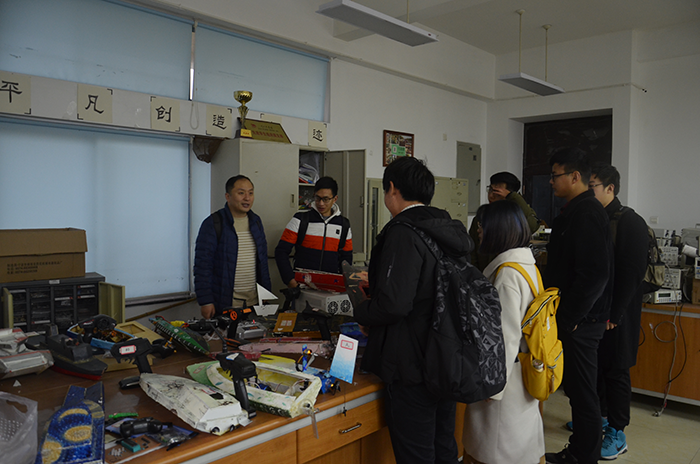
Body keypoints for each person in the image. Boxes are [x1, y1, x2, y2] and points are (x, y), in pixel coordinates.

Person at [353, 156, 470, 464]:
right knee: (444, 444)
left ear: (392, 188)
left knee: (416, 453)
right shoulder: (445, 228)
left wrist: (363, 312)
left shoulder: (403, 232)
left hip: (411, 362)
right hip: (445, 354)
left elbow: (395, 304)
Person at [544, 148, 614, 464]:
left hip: (582, 321)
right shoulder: (576, 210)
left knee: (583, 391)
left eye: (555, 175)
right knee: (577, 389)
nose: (551, 182)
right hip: (578, 318)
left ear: (575, 176)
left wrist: (569, 318)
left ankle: (583, 456)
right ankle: (581, 450)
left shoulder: (586, 213)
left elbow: (595, 274)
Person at [462, 200, 545, 464]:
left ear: (498, 229)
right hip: (523, 373)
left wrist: (493, 388)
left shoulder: (507, 275)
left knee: (497, 450)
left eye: (482, 226)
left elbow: (505, 339)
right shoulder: (527, 266)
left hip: (505, 381)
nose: (478, 231)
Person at [588, 164, 648, 460]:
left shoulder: (630, 222)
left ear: (610, 188)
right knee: (597, 366)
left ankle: (617, 431)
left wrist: (615, 314)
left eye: (592, 187)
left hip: (618, 313)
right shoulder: (596, 218)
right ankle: (600, 419)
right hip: (597, 310)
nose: (588, 192)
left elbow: (632, 273)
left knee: (617, 370)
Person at [194, 175, 271, 319]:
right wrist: (206, 301)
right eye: (241, 193)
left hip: (253, 303)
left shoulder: (256, 222)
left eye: (250, 193)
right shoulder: (213, 223)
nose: (247, 198)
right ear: (228, 196)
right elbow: (202, 265)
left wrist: (266, 293)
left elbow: (263, 262)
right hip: (226, 304)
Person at [275, 176, 353, 288]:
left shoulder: (344, 225)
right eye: (317, 198)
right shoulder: (300, 219)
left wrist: (343, 283)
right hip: (302, 287)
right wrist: (290, 280)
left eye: (325, 199)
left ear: (335, 199)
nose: (321, 203)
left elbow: (346, 259)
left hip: (331, 288)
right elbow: (281, 251)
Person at [469, 171, 539, 270]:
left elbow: (532, 226)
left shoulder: (514, 219)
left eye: (497, 193)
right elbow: (472, 251)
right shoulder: (481, 217)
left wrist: (513, 197)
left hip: (507, 268)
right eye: (490, 190)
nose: (491, 196)